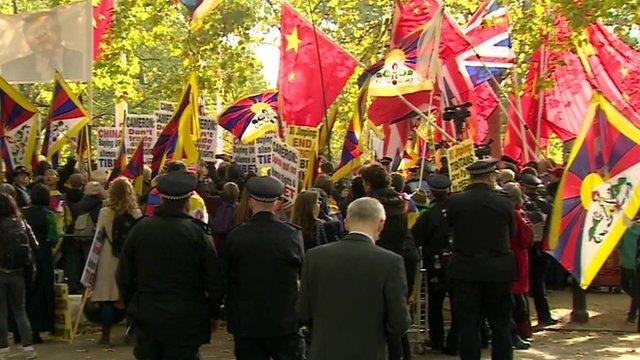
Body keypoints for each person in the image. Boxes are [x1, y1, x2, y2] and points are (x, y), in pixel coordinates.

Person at [116, 171, 224, 359]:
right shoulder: (197, 233)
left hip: (148, 315)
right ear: (188, 200)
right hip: (186, 319)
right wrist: (214, 313)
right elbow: (213, 278)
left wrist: (133, 305)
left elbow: (123, 274)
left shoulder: (140, 229)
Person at [297, 197, 410, 360]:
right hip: (369, 351)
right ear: (381, 224)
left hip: (323, 351)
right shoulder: (390, 262)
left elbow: (303, 312)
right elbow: (399, 322)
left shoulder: (315, 256)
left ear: (346, 222)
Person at [225, 176, 306, 360]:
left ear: (251, 201)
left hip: (247, 321)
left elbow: (227, 276)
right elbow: (302, 272)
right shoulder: (291, 235)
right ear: (277, 203)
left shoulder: (237, 235)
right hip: (284, 320)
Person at [446, 158, 516, 360]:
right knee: (500, 325)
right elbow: (511, 232)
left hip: (466, 270)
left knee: (469, 325)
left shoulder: (456, 201)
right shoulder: (504, 201)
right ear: (491, 176)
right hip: (498, 271)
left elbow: (450, 227)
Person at [359, 163, 415, 359]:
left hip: (377, 261)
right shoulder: (399, 199)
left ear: (368, 183)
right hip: (400, 259)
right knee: (398, 313)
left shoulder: (371, 203)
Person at [89, 178, 142, 346]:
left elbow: (98, 237)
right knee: (129, 296)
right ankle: (130, 333)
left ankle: (105, 336)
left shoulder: (105, 212)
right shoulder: (137, 213)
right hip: (129, 260)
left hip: (107, 257)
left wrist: (91, 268)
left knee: (107, 298)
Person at [411, 174, 459, 355]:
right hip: (456, 264)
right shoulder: (458, 211)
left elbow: (415, 238)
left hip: (437, 266)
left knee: (436, 305)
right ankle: (454, 341)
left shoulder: (429, 215)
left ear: (431, 192)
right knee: (457, 304)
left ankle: (438, 340)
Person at [0, 193, 38, 359]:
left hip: (1, 270)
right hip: (19, 271)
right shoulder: (22, 222)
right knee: (20, 310)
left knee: (1, 312)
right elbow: (34, 243)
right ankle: (28, 348)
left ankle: (3, 349)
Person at [21, 185, 58, 344]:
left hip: (25, 256)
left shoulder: (22, 213)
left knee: (24, 292)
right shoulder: (48, 215)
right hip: (43, 256)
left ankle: (18, 331)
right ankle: (37, 330)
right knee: (40, 292)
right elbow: (53, 237)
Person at [520, 173, 557, 327]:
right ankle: (544, 315)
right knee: (539, 284)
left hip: (526, 249)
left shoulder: (520, 205)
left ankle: (524, 320)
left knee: (523, 286)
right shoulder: (548, 206)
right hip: (543, 249)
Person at [503, 183, 534, 349]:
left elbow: (524, 239)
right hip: (517, 258)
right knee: (519, 296)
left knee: (516, 298)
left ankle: (519, 332)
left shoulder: (515, 214)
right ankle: (523, 331)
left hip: (514, 258)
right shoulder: (518, 213)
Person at [619, 214, 640, 323]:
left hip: (630, 263)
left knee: (631, 288)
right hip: (631, 263)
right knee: (629, 287)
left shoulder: (625, 227)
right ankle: (633, 311)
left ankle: (632, 315)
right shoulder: (626, 227)